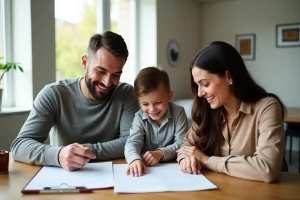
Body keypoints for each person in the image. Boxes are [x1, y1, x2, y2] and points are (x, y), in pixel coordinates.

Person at [11, 31, 140, 171]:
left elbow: (131, 141)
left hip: (116, 177)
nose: (107, 82)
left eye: (116, 74)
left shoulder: (126, 94)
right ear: (85, 63)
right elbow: (20, 145)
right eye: (101, 71)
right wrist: (58, 154)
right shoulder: (54, 94)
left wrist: (85, 151)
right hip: (66, 178)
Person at [176, 41, 286, 183]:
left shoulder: (267, 107)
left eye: (205, 84)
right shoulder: (207, 111)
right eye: (197, 85)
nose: (199, 93)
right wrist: (187, 159)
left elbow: (267, 169)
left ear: (228, 77)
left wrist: (207, 160)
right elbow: (186, 146)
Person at [125, 67, 188, 177]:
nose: (152, 109)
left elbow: (182, 143)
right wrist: (134, 159)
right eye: (145, 104)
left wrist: (160, 153)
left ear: (169, 96)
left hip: (174, 170)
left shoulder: (179, 113)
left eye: (158, 102)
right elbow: (133, 142)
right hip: (149, 171)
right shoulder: (139, 117)